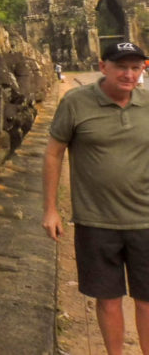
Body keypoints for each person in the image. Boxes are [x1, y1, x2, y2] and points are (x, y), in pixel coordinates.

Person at [43, 41, 149, 355]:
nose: (129, 74)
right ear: (103, 67)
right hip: (96, 220)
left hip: (145, 219)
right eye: (121, 67)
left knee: (146, 300)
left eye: (136, 67)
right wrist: (50, 209)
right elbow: (53, 153)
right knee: (108, 299)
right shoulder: (76, 103)